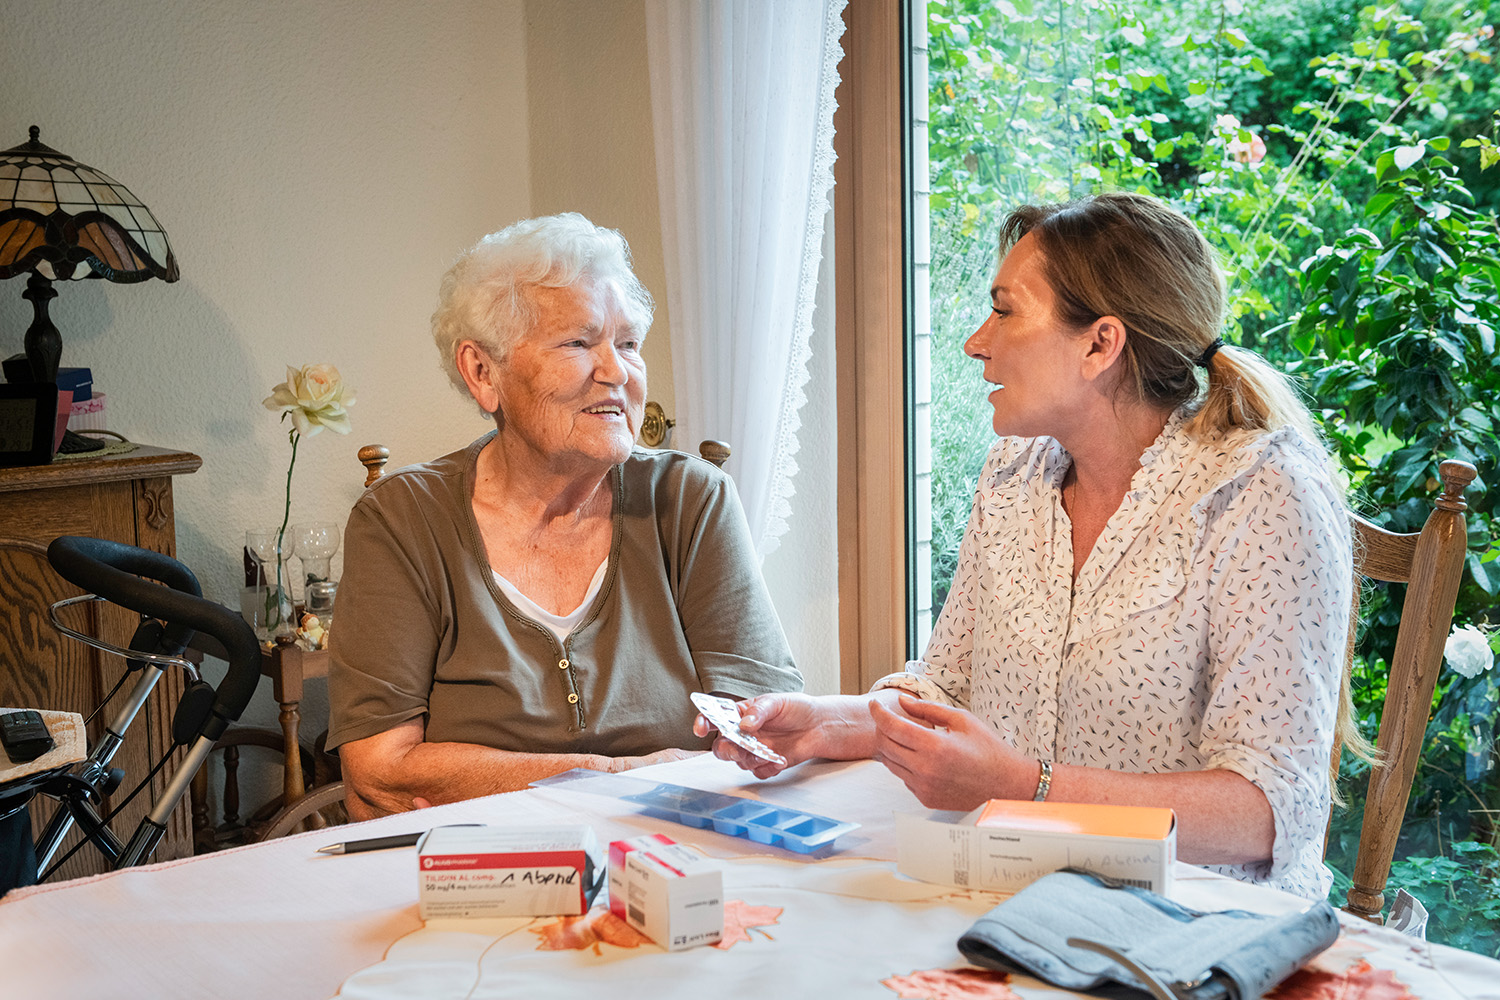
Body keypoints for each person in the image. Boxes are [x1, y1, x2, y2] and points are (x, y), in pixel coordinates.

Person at [700, 193, 1353, 899]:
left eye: (1005, 310)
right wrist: (823, 723)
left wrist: (1019, 787)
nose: (977, 340)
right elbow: (946, 687)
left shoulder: (1259, 492)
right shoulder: (1014, 476)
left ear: (1101, 344)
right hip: (1016, 897)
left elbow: (1268, 812)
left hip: (1195, 925)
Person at [328, 213, 803, 820]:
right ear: (482, 371)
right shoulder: (403, 520)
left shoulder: (689, 500)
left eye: (628, 344)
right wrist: (621, 778)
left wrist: (480, 776)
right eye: (579, 343)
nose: (617, 372)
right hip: (476, 873)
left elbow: (765, 732)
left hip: (672, 858)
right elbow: (381, 772)